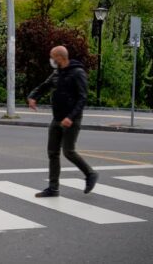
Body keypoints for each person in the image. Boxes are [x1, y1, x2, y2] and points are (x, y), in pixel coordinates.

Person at [27, 45, 98, 197]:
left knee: (68, 151)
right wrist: (33, 97)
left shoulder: (77, 73)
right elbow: (44, 86)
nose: (51, 60)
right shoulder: (57, 73)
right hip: (57, 119)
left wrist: (70, 117)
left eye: (52, 57)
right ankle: (53, 188)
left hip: (71, 120)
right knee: (53, 153)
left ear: (60, 57)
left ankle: (90, 174)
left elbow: (83, 98)